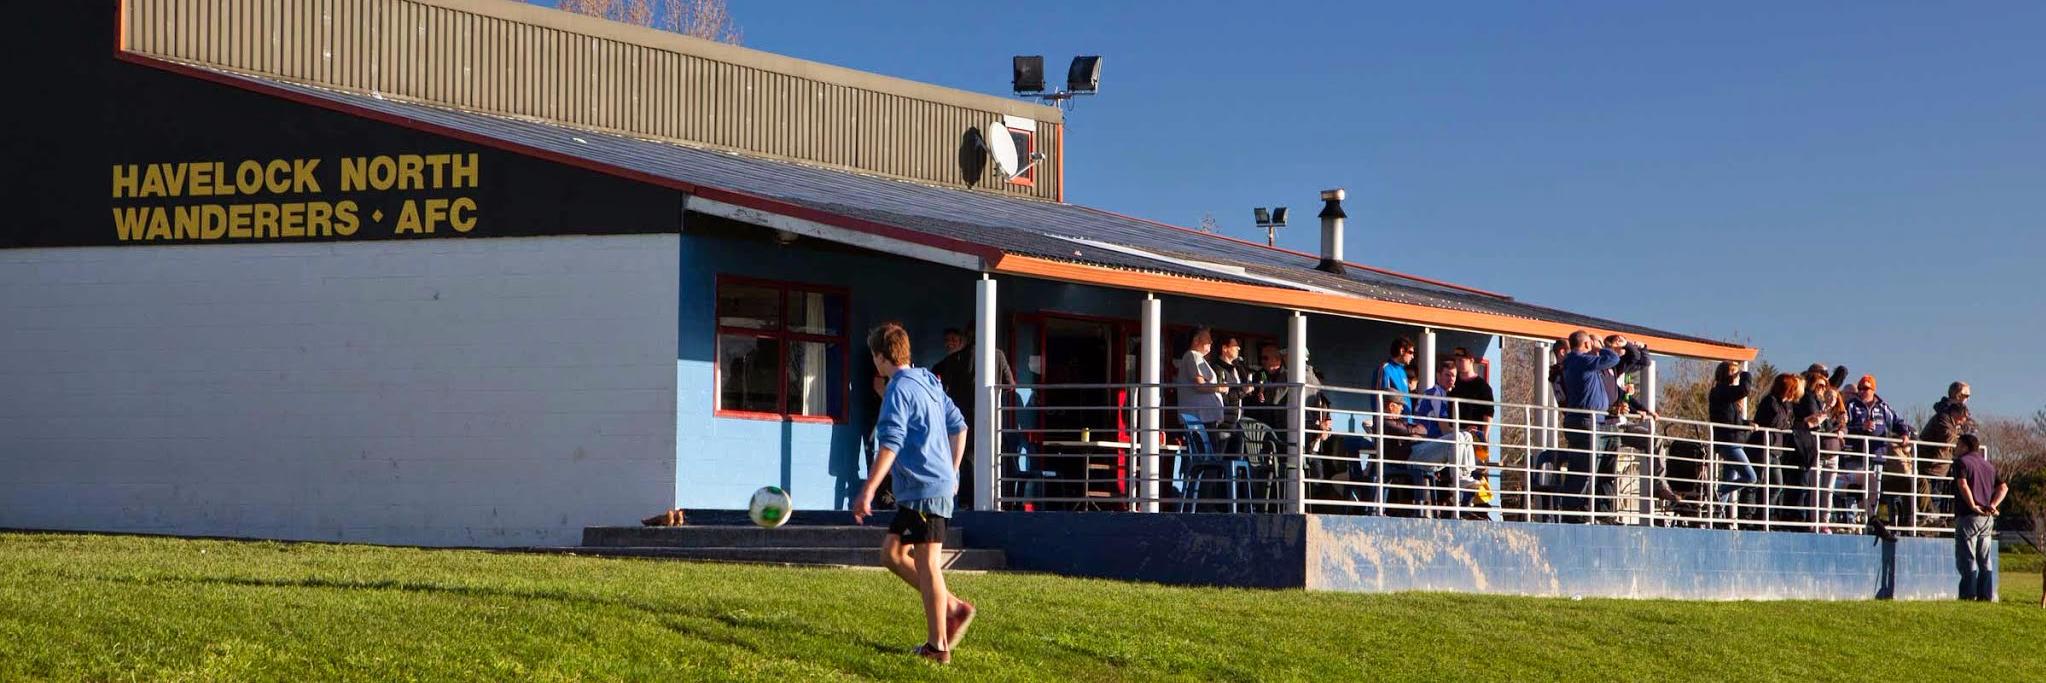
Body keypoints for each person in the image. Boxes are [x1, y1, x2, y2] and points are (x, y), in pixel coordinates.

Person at [851, 323, 973, 663]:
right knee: (891, 554)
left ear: (880, 356)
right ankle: (951, 606)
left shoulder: (898, 389)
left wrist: (868, 490)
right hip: (922, 490)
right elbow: (959, 426)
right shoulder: (928, 380)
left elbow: (890, 443)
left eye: (874, 356)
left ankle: (937, 647)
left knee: (928, 565)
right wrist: (952, 470)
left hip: (925, 491)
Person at [930, 328, 1017, 509]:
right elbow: (1010, 385)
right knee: (995, 459)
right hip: (991, 418)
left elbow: (936, 376)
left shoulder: (956, 359)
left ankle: (966, 502)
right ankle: (999, 501)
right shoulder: (998, 355)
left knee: (967, 461)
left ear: (966, 338)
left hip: (961, 418)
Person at [1558, 331, 1624, 520]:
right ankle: (1575, 514)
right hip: (1586, 423)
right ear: (1586, 344)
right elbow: (1613, 358)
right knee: (1584, 470)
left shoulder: (1576, 362)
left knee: (1587, 469)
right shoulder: (1581, 361)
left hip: (1593, 421)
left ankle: (1588, 512)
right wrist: (1599, 347)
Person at [1845, 375, 1914, 528]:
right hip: (1856, 455)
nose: (1862, 391)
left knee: (1874, 491)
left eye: (1866, 389)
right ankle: (1852, 523)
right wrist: (1860, 428)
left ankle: (1871, 522)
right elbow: (1843, 427)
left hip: (1877, 456)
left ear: (1873, 390)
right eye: (1860, 388)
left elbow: (1897, 421)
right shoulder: (1851, 405)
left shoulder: (1883, 407)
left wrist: (1904, 433)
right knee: (1854, 489)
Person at [1951, 433, 2006, 601]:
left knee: (1967, 556)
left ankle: (1968, 594)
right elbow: (2003, 487)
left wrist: (1972, 504)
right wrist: (1993, 504)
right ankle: (1986, 595)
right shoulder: (1988, 466)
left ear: (1966, 446)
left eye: (1958, 445)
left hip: (1969, 516)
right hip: (1987, 518)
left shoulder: (1961, 463)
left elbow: (1962, 484)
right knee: (1985, 558)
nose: (1956, 448)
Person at [1753, 373, 1805, 522]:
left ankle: (1766, 515)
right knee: (1758, 482)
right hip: (1763, 447)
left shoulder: (1786, 405)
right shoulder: (1770, 401)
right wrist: (1785, 424)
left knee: (1777, 484)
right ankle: (1755, 516)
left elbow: (1788, 423)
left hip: (1776, 449)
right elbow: (1775, 422)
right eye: (1793, 389)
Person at [1706, 362, 1759, 509]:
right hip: (1728, 442)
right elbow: (1744, 389)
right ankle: (1717, 495)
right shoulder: (1721, 391)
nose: (1736, 376)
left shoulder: (1724, 394)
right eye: (1734, 373)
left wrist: (1748, 423)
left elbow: (1731, 419)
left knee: (1729, 479)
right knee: (1750, 477)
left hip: (1732, 440)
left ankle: (1716, 512)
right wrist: (1745, 374)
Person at [1175, 327, 1226, 428]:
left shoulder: (1195, 357)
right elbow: (1199, 385)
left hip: (1204, 417)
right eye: (1207, 338)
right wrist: (1220, 388)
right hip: (1200, 418)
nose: (1211, 341)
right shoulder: (1193, 356)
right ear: (1196, 340)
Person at [1445, 355, 1495, 430]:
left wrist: (1484, 436)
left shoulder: (1483, 386)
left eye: (1461, 360)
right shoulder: (1453, 383)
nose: (1458, 363)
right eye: (1456, 360)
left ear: (1471, 360)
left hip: (1473, 432)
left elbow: (1488, 413)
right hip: (1452, 432)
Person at [1213, 337, 1255, 422]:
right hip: (1224, 422)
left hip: (1238, 420)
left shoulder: (1237, 368)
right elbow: (1222, 397)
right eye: (1235, 345)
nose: (1238, 348)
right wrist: (1243, 391)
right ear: (1225, 348)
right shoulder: (1218, 369)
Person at [1413, 359, 1457, 438]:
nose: (1451, 379)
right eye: (1447, 375)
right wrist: (1463, 432)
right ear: (1438, 376)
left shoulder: (1435, 392)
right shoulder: (1437, 394)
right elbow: (1445, 430)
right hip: (1425, 440)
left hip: (1426, 438)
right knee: (1465, 436)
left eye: (1453, 375)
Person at [1374, 337, 1417, 415]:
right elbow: (1379, 398)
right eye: (1410, 352)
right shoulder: (1385, 369)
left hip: (1406, 421)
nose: (1412, 356)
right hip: (1393, 421)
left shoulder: (1402, 371)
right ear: (1402, 351)